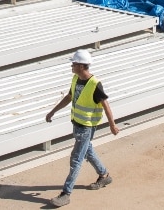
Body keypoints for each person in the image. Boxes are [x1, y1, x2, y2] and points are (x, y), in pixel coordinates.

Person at [45, 49, 119, 207]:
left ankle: (66, 193)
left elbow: (105, 104)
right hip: (77, 124)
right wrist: (52, 111)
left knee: (76, 158)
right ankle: (104, 175)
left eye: (73, 64)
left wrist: (112, 124)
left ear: (81, 66)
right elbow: (69, 96)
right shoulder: (75, 79)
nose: (71, 66)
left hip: (87, 126)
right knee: (88, 150)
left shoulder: (94, 84)